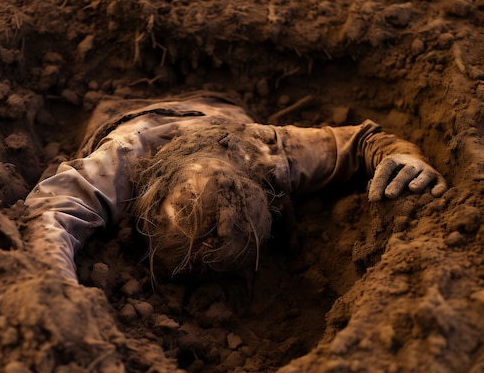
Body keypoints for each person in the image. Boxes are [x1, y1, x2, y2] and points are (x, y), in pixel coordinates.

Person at [25, 92, 447, 284]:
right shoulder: (129, 154)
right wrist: (399, 153)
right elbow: (55, 209)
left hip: (212, 102)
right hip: (126, 104)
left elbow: (52, 209)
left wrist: (397, 154)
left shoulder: (265, 155)